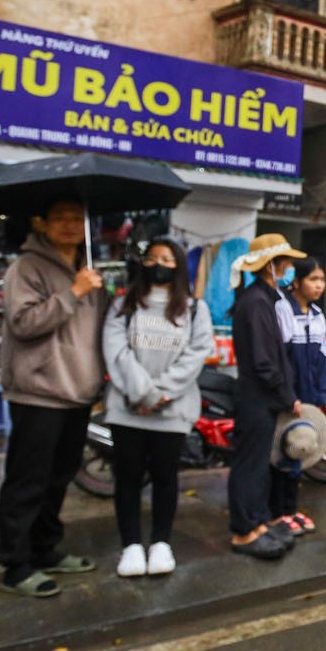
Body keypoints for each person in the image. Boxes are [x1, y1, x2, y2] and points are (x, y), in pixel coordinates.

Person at [0, 196, 107, 598]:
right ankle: (15, 563)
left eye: (78, 217)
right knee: (28, 481)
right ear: (41, 223)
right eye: (61, 218)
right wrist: (73, 293)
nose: (70, 225)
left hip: (77, 392)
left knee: (59, 479)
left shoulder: (87, 268)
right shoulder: (26, 267)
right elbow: (24, 323)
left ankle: (45, 549)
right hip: (39, 392)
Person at [102, 238, 213, 580]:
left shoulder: (194, 309)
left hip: (173, 411)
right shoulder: (123, 304)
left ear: (179, 265)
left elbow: (198, 353)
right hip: (127, 410)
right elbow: (115, 350)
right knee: (128, 479)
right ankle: (132, 545)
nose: (158, 263)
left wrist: (162, 392)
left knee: (167, 478)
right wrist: (144, 393)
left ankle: (161, 543)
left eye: (166, 258)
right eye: (151, 257)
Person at [227, 233, 304, 559]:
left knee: (258, 466)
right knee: (249, 466)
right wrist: (288, 396)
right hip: (257, 397)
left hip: (261, 398)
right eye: (284, 263)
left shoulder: (262, 299)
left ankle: (257, 522)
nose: (288, 269)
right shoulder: (256, 301)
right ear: (272, 265)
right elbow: (263, 361)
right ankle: (244, 531)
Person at [275, 256, 326, 536]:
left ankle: (290, 509)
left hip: (310, 398)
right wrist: (288, 396)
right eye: (313, 279)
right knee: (281, 454)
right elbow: (281, 359)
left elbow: (323, 360)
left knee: (299, 452)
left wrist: (324, 397)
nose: (319, 285)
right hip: (288, 397)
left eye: (321, 279)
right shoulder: (282, 310)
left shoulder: (318, 316)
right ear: (295, 282)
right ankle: (279, 513)